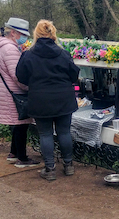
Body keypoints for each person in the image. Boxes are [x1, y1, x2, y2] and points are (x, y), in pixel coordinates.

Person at [16, 20, 80, 181]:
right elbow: (74, 75)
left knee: (45, 134)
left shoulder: (28, 54)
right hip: (64, 98)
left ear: (36, 34)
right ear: (53, 33)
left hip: (40, 99)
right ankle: (68, 165)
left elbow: (21, 77)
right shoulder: (63, 53)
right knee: (64, 132)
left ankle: (50, 169)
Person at [0, 18, 40, 168]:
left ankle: (13, 153)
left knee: (17, 124)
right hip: (14, 93)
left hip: (5, 92)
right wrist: (30, 87)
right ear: (13, 33)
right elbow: (18, 75)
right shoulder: (10, 49)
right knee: (21, 125)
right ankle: (22, 159)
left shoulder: (0, 47)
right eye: (22, 34)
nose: (25, 38)